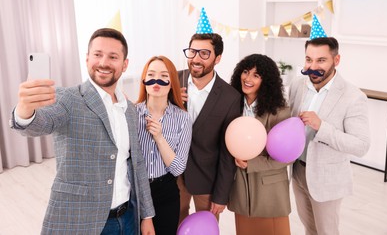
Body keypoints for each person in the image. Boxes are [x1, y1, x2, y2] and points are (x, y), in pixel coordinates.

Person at [10, 28, 155, 235]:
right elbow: (40, 122)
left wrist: (146, 216)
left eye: (113, 57)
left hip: (128, 218)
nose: (104, 62)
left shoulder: (130, 110)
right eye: (97, 55)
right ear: (87, 59)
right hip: (82, 222)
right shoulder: (68, 99)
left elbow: (137, 164)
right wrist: (25, 111)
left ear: (125, 65)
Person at [289, 37, 370, 235]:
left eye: (321, 60)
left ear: (336, 60)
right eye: (309, 59)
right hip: (298, 172)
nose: (312, 66)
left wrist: (322, 127)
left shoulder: (353, 96)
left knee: (326, 232)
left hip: (327, 179)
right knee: (310, 228)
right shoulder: (298, 85)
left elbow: (361, 145)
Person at [177, 32, 241, 223]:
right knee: (173, 226)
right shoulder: (172, 80)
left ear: (217, 58)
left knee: (205, 229)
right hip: (172, 176)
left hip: (206, 180)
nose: (196, 59)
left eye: (204, 53)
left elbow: (227, 150)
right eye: (192, 52)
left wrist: (221, 195)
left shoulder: (230, 97)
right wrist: (170, 101)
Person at [228, 54, 292, 235]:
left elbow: (286, 157)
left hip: (269, 192)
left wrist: (252, 163)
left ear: (267, 81)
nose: (248, 79)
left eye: (256, 75)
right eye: (246, 72)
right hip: (241, 190)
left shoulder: (280, 112)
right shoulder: (232, 106)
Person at [135, 56, 192, 234]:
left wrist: (159, 137)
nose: (156, 80)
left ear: (171, 82)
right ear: (144, 80)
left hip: (166, 192)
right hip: (135, 192)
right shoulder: (131, 114)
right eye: (151, 74)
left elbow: (178, 168)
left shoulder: (182, 118)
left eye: (163, 75)